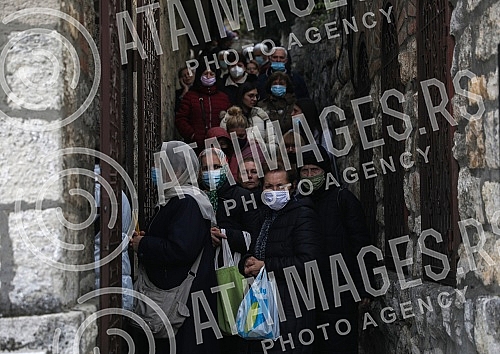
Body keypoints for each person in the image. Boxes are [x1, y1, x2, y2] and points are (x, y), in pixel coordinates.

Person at [130, 141, 220, 354]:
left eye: (159, 167)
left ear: (178, 170)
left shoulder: (187, 202)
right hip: (182, 297)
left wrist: (144, 244)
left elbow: (181, 248)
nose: (154, 172)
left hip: (184, 301)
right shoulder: (177, 199)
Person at [297, 145, 375, 354]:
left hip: (340, 290)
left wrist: (365, 285)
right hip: (306, 293)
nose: (310, 175)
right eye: (305, 171)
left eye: (315, 170)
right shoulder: (297, 204)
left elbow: (361, 243)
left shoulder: (343, 200)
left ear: (326, 172)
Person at [240, 161, 323, 354]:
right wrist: (246, 262)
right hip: (265, 305)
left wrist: (266, 266)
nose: (274, 191)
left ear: (292, 187)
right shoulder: (264, 215)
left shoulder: (303, 215)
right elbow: (256, 248)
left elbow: (309, 263)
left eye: (280, 186)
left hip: (293, 307)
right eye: (269, 186)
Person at [198, 147, 261, 354]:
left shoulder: (242, 196)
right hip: (203, 279)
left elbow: (256, 238)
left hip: (235, 278)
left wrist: (224, 234)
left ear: (225, 167)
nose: (210, 172)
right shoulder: (196, 199)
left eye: (216, 167)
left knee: (236, 336)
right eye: (205, 168)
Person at [175, 67, 231, 153]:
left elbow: (230, 120)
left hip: (219, 147)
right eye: (205, 74)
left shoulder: (224, 98)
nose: (208, 77)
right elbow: (181, 119)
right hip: (196, 147)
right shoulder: (190, 96)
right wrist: (192, 135)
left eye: (211, 74)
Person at [294, 97, 340, 181]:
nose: (292, 114)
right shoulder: (294, 133)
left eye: (296, 111)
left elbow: (326, 156)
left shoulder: (323, 133)